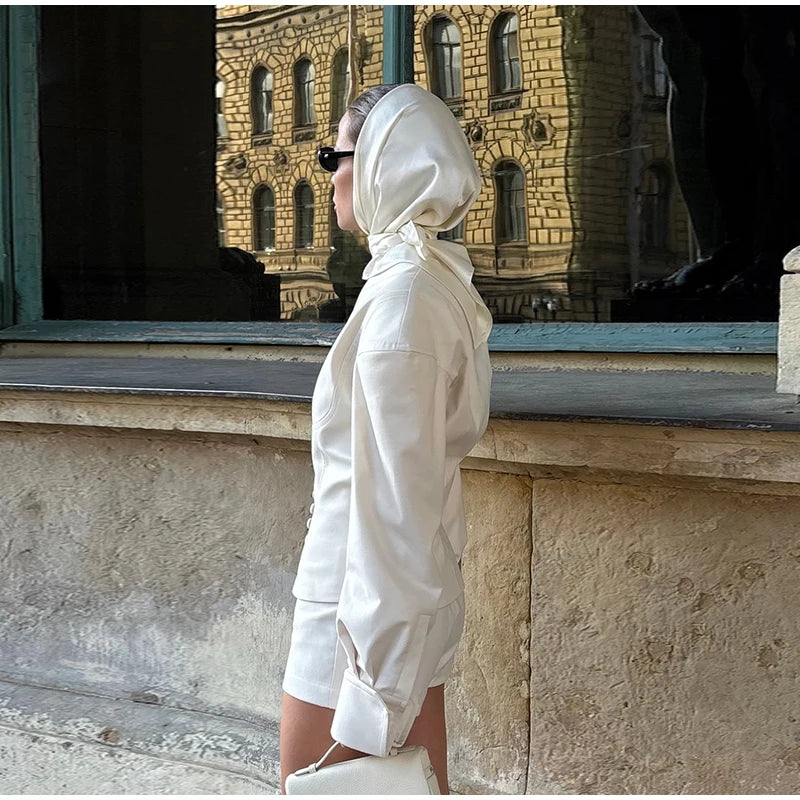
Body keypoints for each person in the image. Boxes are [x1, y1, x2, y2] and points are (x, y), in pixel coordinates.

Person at [279, 83, 493, 794]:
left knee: (321, 786)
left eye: (334, 157)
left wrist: (371, 700)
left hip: (356, 620)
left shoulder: (404, 302)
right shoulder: (422, 286)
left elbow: (395, 515)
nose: (330, 176)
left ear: (377, 163)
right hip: (389, 615)